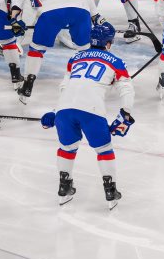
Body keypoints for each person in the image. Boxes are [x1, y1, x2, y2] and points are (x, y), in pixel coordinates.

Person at [39, 21, 134, 210]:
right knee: (104, 149)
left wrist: (55, 112)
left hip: (65, 110)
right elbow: (127, 88)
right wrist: (125, 114)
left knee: (67, 147)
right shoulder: (115, 60)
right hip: (92, 110)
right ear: (108, 42)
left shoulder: (75, 58)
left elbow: (66, 87)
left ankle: (64, 187)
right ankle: (110, 190)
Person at [10, 0, 93, 103]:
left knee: (37, 47)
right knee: (30, 3)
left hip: (51, 9)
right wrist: (96, 16)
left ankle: (28, 83)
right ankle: (87, 85)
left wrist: (14, 13)